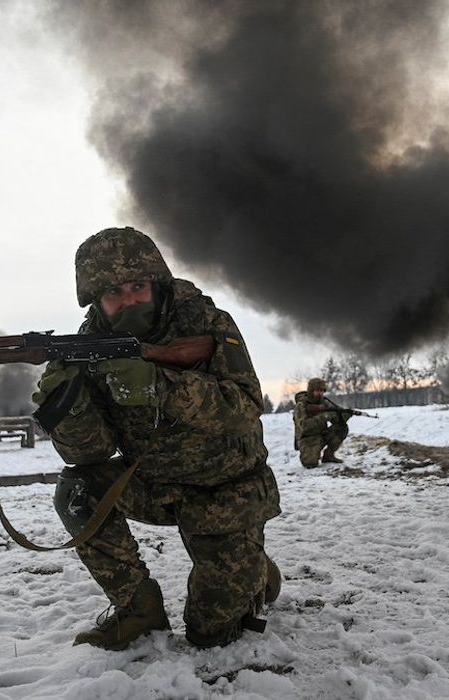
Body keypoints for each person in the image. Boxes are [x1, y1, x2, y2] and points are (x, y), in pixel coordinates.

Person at [32, 227, 281, 651]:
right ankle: (138, 609)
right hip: (153, 485)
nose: (129, 300)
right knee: (78, 489)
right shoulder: (88, 345)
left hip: (225, 492)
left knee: (211, 635)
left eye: (138, 287)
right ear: (96, 300)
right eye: (114, 293)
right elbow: (90, 453)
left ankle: (254, 569)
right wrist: (68, 407)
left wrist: (159, 385)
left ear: (156, 283)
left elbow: (243, 408)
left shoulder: (204, 321)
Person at [292, 377, 350, 468]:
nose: (320, 393)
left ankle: (329, 456)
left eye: (322, 391)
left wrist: (344, 415)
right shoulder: (301, 405)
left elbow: (337, 420)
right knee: (310, 464)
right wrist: (324, 417)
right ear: (311, 391)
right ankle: (311, 454)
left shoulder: (325, 402)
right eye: (317, 391)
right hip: (307, 439)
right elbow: (304, 427)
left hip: (322, 434)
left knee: (341, 428)